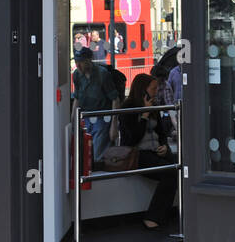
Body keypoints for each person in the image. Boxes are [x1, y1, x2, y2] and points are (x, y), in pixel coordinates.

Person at [115, 73, 178, 229]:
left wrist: (164, 145)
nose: (156, 91)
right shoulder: (128, 108)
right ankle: (153, 217)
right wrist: (144, 115)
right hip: (138, 154)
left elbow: (161, 132)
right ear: (143, 89)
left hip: (155, 150)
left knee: (179, 168)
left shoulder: (153, 105)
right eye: (153, 88)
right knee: (170, 173)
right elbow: (131, 139)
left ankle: (166, 214)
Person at [71, 46, 123, 163]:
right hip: (85, 118)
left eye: (81, 62)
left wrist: (114, 125)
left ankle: (96, 175)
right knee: (85, 154)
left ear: (89, 60)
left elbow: (115, 99)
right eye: (76, 62)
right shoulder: (77, 75)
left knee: (97, 155)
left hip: (102, 119)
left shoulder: (102, 75)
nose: (78, 66)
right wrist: (72, 121)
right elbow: (77, 98)